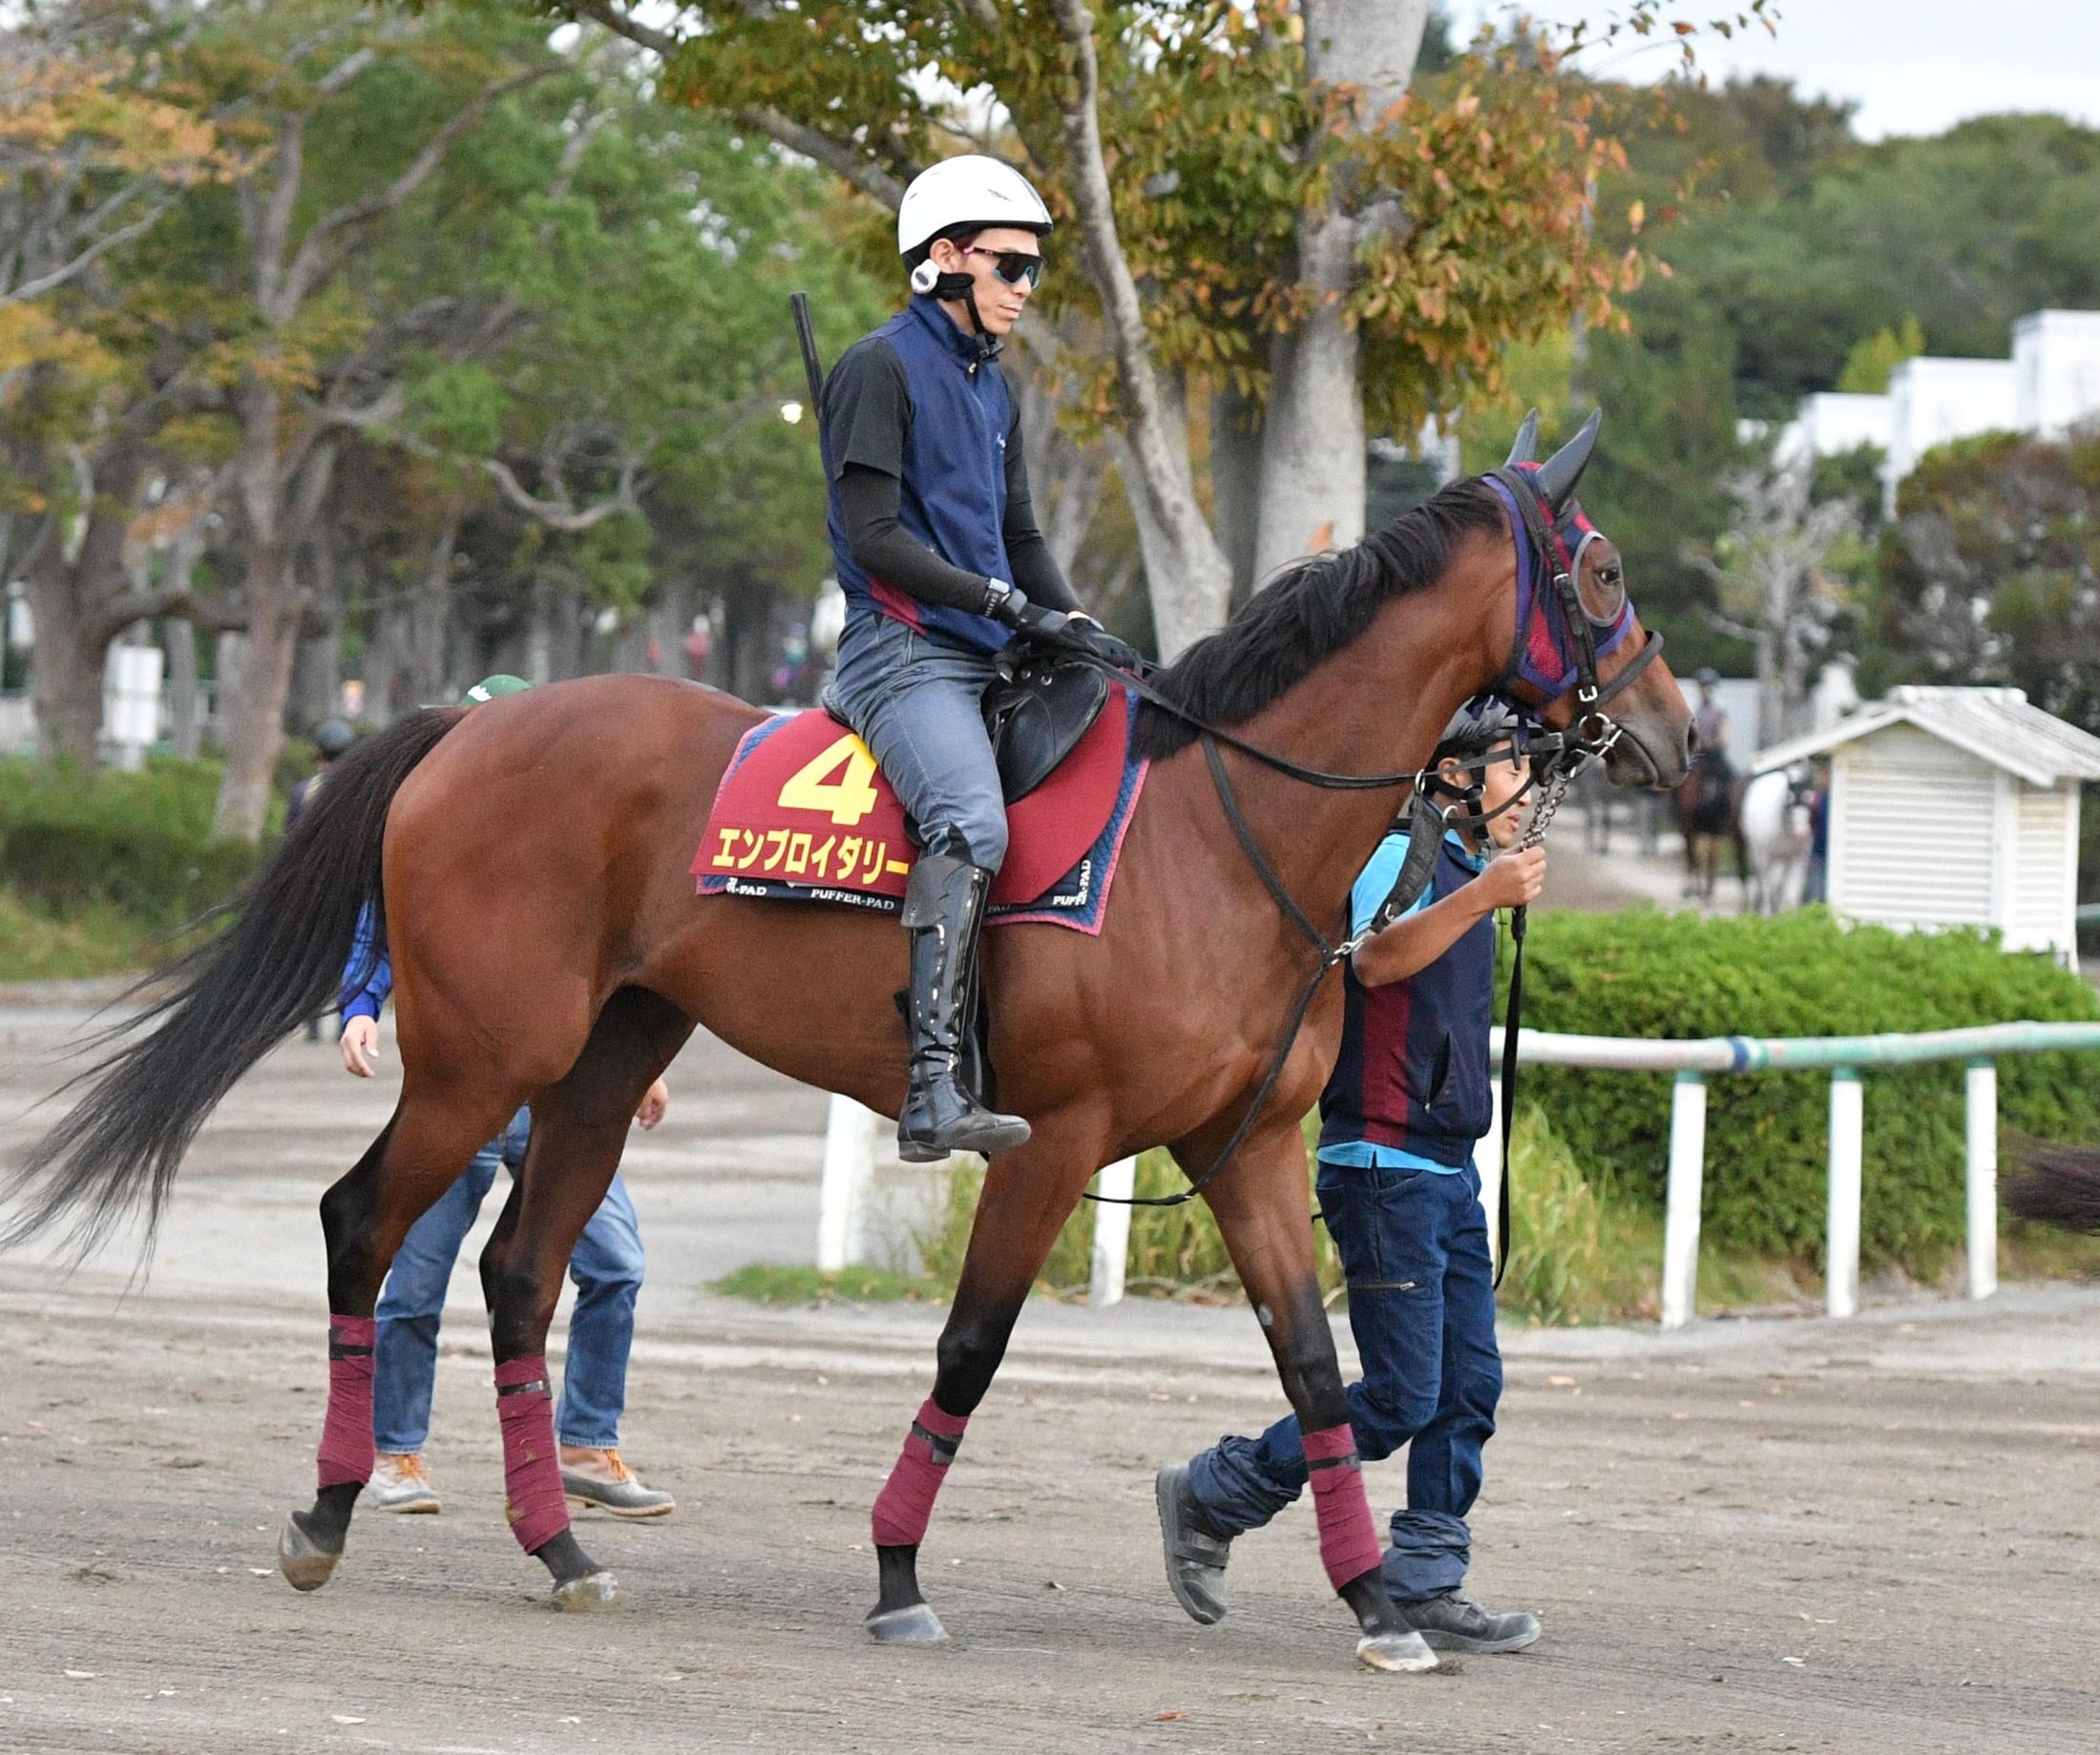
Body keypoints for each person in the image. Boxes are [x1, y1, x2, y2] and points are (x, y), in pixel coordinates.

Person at [1156, 708, 1547, 1656]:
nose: (1527, 793)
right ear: (1454, 775)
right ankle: (1217, 1490)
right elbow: (1373, 961)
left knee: (1468, 1388)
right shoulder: (1394, 856)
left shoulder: (1462, 872)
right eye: (1512, 773)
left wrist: (1484, 892)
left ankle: (1423, 1577)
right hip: (1380, 1170)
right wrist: (1483, 897)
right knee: (1402, 1397)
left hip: (1445, 1174)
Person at [820, 154, 1143, 1163]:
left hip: (990, 652)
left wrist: (1074, 620)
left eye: (1035, 271)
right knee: (968, 817)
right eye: (1012, 266)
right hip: (899, 651)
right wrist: (999, 603)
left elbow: (1021, 536)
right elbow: (874, 539)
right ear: (944, 259)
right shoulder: (877, 367)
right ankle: (931, 1090)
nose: (1025, 289)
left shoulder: (991, 386)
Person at [340, 676, 676, 1520]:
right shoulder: (449, 827)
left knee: (616, 1265)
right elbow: (386, 929)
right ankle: (397, 1454)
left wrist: (642, 1065)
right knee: (415, 1284)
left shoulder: (573, 839)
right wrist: (358, 1009)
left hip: (558, 1098)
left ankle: (587, 1441)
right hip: (473, 1091)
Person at [292, 718, 356, 1042]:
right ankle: (349, 1019)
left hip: (312, 885)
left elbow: (290, 842)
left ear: (317, 753)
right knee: (351, 951)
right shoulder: (361, 792)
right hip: (352, 885)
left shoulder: (303, 792)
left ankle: (312, 1020)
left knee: (313, 951)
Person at [1691, 668, 1733, 780]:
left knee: (1731, 778)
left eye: (1709, 687)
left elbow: (1725, 736)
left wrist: (1716, 742)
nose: (1706, 690)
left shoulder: (1720, 711)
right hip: (1699, 755)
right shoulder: (1695, 710)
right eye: (1703, 686)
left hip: (1715, 755)